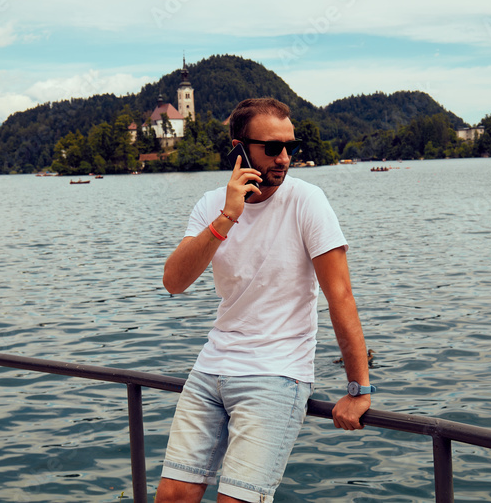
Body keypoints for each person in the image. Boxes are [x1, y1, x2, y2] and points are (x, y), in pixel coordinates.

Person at [155, 97, 373, 503]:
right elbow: (174, 282)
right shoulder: (210, 206)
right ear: (239, 148)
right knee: (172, 496)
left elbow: (340, 295)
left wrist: (359, 388)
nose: (284, 158)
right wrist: (226, 217)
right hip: (211, 370)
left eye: (290, 146)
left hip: (276, 373)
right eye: (272, 148)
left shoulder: (307, 201)